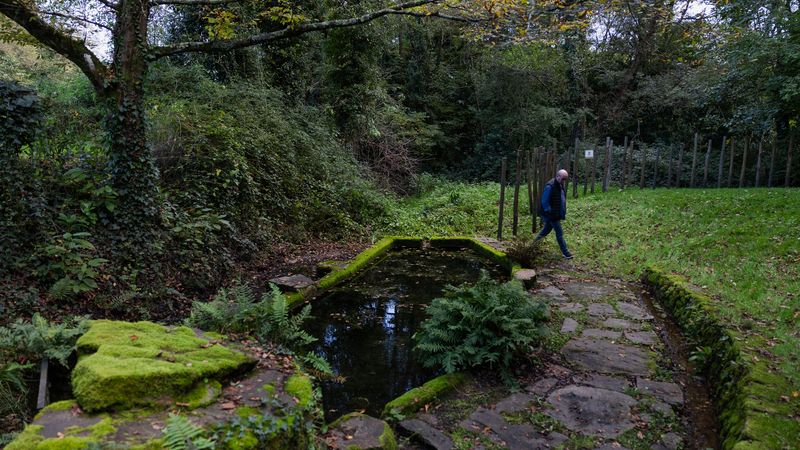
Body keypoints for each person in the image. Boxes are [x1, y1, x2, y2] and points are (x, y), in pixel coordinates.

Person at [536, 169, 573, 259]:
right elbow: (544, 201)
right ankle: (565, 252)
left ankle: (532, 246)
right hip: (552, 215)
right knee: (559, 233)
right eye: (563, 178)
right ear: (558, 176)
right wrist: (551, 212)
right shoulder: (550, 186)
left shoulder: (560, 185)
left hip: (556, 214)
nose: (564, 181)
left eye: (565, 179)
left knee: (545, 232)